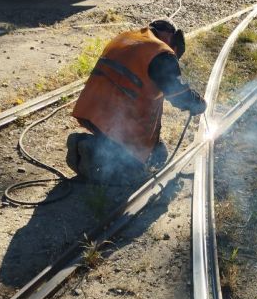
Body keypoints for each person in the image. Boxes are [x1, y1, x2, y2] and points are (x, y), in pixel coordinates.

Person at [67, 19, 206, 184]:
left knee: (158, 153)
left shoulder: (127, 37)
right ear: (171, 42)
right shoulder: (162, 53)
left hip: (91, 112)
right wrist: (197, 103)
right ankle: (93, 150)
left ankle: (93, 144)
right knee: (132, 174)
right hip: (118, 124)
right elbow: (178, 95)